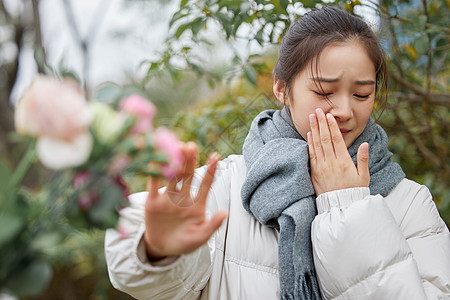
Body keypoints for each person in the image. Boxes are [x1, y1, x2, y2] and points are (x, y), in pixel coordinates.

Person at [104, 7, 450, 300]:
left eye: (362, 95)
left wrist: (349, 207)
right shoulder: (226, 186)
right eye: (324, 91)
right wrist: (157, 250)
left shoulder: (409, 203)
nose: (345, 109)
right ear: (282, 88)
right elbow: (145, 266)